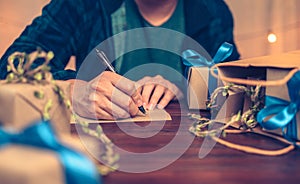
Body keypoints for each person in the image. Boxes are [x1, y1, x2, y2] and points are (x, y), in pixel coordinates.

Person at [0, 0, 240, 120]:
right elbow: (10, 67)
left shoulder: (212, 10)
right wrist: (73, 90)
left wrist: (185, 88)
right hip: (99, 156)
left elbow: (237, 89)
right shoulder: (81, 4)